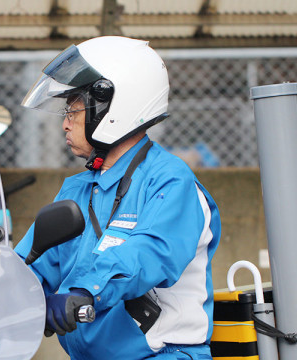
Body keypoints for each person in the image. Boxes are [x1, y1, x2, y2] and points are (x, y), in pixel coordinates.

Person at [15, 36, 221, 360]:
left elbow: (148, 254)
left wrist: (83, 292)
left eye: (74, 109)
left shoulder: (170, 182)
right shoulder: (78, 190)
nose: (65, 124)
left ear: (112, 105)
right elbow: (30, 266)